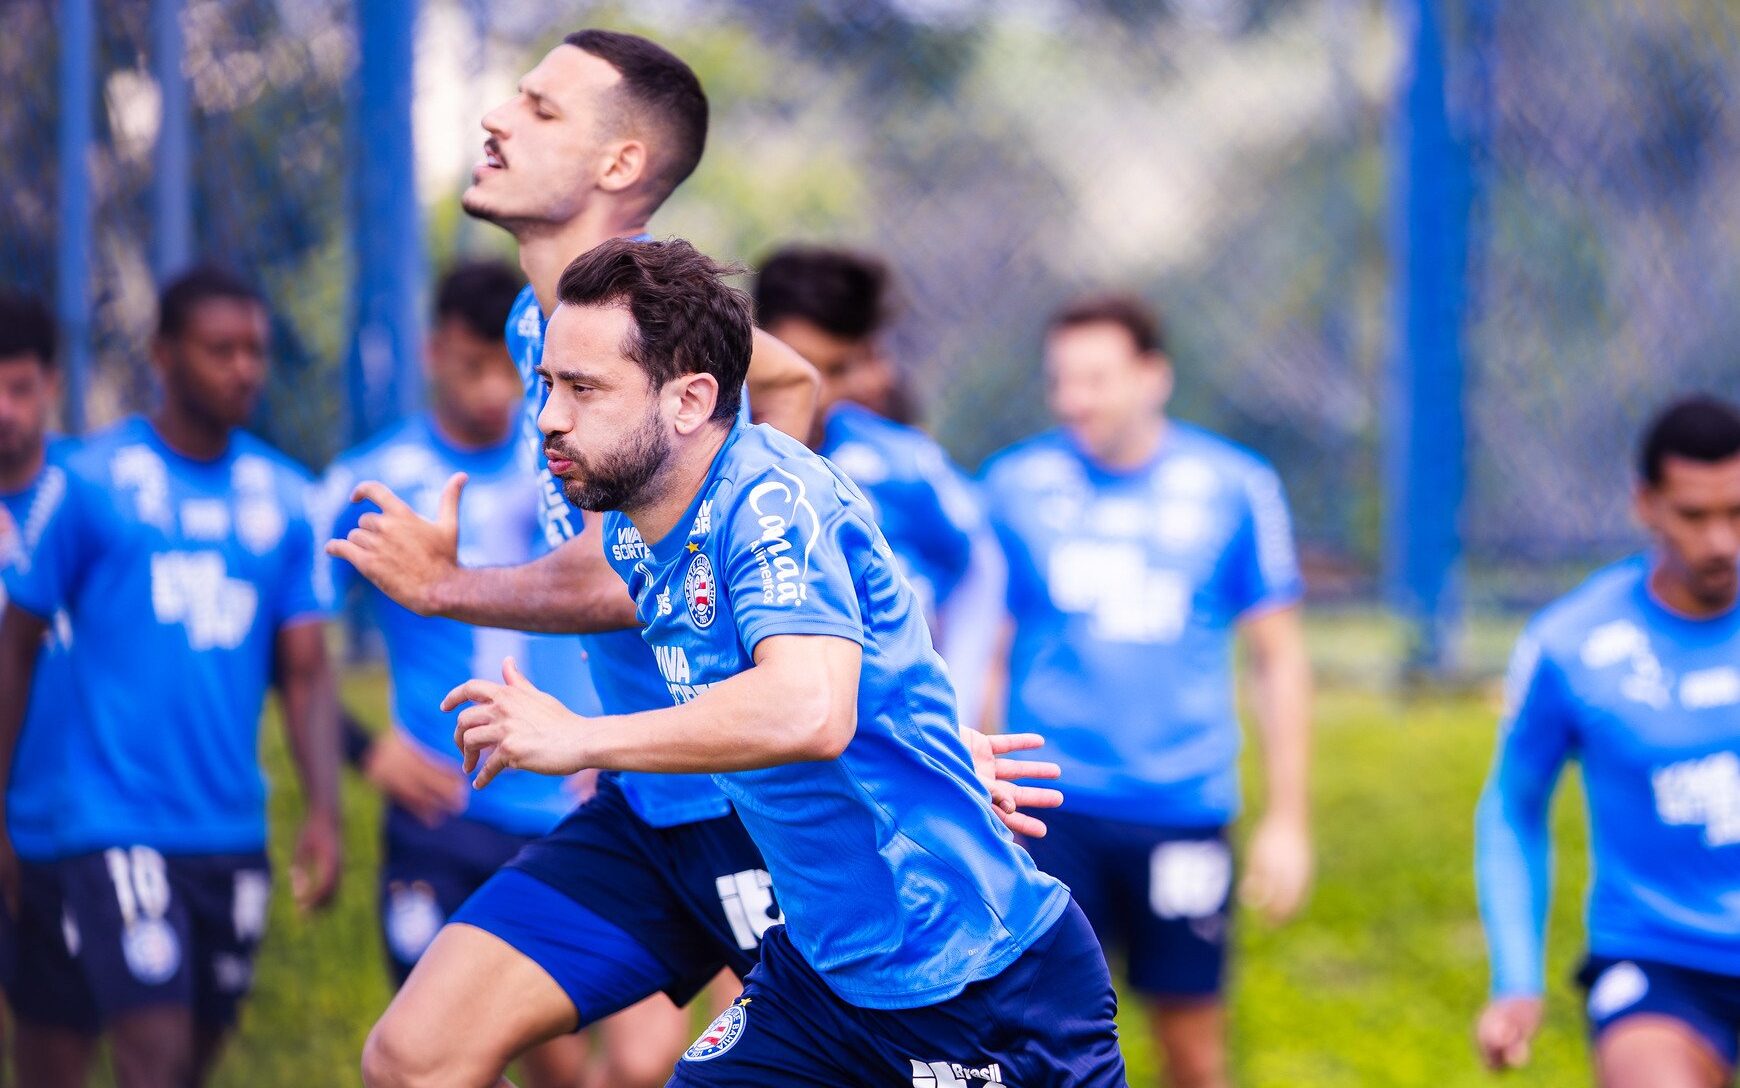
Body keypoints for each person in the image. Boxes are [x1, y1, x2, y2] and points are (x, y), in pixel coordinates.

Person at [343, 38, 1053, 1088]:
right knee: (413, 1053)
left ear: (619, 165)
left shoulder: (663, 328)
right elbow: (793, 386)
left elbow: (625, 565)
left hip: (753, 811)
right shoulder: (543, 317)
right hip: (645, 809)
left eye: (539, 108)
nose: (497, 118)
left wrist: (449, 586)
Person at [447, 235, 1126, 1086]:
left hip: (976, 983)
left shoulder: (772, 499)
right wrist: (928, 753)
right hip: (819, 982)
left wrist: (579, 737)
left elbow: (808, 708)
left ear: (691, 400)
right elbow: (839, 683)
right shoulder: (642, 522)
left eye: (584, 389)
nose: (549, 415)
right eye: (549, 385)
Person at [0, 268, 342, 1088]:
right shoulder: (88, 483)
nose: (244, 368)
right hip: (110, 820)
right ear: (163, 355)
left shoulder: (288, 497)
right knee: (147, 1059)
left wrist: (324, 810)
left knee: (185, 1065)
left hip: (228, 831)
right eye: (219, 349)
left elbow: (307, 673)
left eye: (255, 350)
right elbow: (17, 646)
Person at [981, 294, 1315, 1088]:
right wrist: (977, 782)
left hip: (1182, 810)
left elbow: (1278, 659)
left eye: (1095, 379)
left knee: (1193, 1051)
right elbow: (982, 653)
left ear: (1153, 377)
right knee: (1029, 1044)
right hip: (1048, 809)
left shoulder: (1236, 486)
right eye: (1061, 381)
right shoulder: (1013, 486)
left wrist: (1288, 820)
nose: (1074, 400)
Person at [317, 260, 614, 1087]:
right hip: (437, 811)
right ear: (432, 350)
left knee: (564, 1062)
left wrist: (612, 744)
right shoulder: (371, 481)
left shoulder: (575, 470)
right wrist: (365, 751)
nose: (492, 390)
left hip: (557, 808)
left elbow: (637, 608)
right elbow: (290, 637)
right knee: (426, 1051)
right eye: (471, 365)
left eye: (508, 370)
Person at [1475, 395, 1740, 1088]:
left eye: (1739, 514)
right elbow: (1513, 808)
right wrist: (1515, 978)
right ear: (1645, 504)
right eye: (1695, 516)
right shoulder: (1573, 645)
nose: (1720, 542)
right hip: (1659, 958)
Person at [752, 244, 1006, 728]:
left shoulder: (902, 462)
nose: (817, 387)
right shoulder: (715, 463)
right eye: (803, 363)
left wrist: (963, 712)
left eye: (839, 368)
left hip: (898, 741)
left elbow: (979, 569)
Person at [0, 288, 80, 1088]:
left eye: (19, 388)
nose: (3, 411)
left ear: (51, 384)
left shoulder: (97, 499)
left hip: (63, 828)